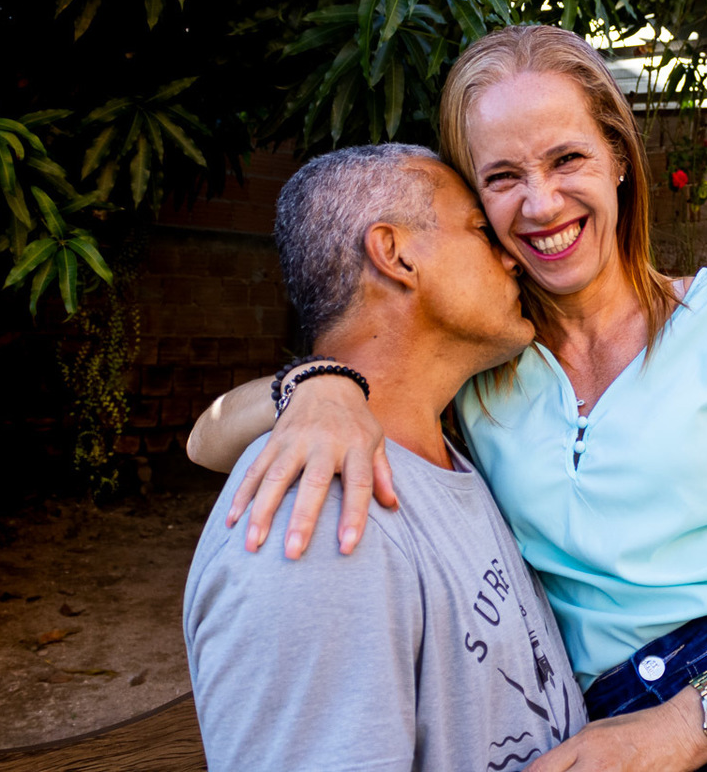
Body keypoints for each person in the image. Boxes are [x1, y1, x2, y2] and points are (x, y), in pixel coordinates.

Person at [188, 26, 707, 771]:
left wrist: (684, 725)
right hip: (614, 730)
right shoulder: (483, 371)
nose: (542, 203)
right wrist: (320, 388)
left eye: (567, 159)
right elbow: (206, 441)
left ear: (618, 157)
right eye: (502, 178)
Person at [183, 143, 587, 771]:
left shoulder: (446, 455)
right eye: (481, 231)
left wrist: (316, 381)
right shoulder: (322, 516)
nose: (514, 256)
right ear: (395, 254)